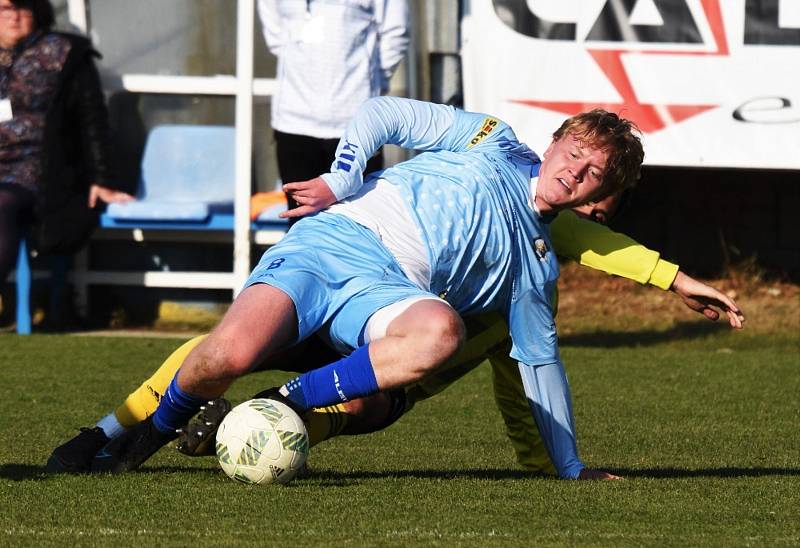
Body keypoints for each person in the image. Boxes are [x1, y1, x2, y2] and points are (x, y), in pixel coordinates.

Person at [77, 97, 743, 479]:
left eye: (595, 172)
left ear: (601, 194)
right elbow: (380, 115)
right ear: (555, 140)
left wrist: (569, 467)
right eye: (575, 152)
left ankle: (276, 403)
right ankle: (136, 438)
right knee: (228, 355)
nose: (577, 170)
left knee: (438, 334)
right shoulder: (491, 139)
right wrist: (341, 179)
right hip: (332, 243)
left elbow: (539, 372)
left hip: (384, 291)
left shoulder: (536, 267)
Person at [0, 0, 133, 316]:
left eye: (22, 8)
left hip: (38, 165)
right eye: (4, 9)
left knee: (1, 204)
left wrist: (102, 179)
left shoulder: (63, 54)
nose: (14, 16)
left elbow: (92, 119)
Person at [257, 0, 409, 215]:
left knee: (361, 220)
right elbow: (276, 35)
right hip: (293, 121)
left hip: (356, 123)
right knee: (302, 224)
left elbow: (396, 33)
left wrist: (372, 83)